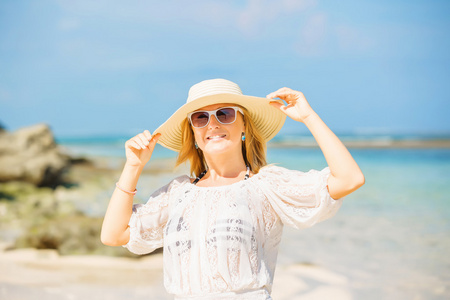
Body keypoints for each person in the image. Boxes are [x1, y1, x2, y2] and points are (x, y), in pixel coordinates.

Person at [101, 78, 365, 300]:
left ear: (244, 127)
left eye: (224, 114)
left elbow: (349, 178)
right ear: (193, 134)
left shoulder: (266, 184)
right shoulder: (178, 192)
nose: (213, 124)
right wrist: (134, 166)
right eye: (200, 117)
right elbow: (114, 235)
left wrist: (308, 117)